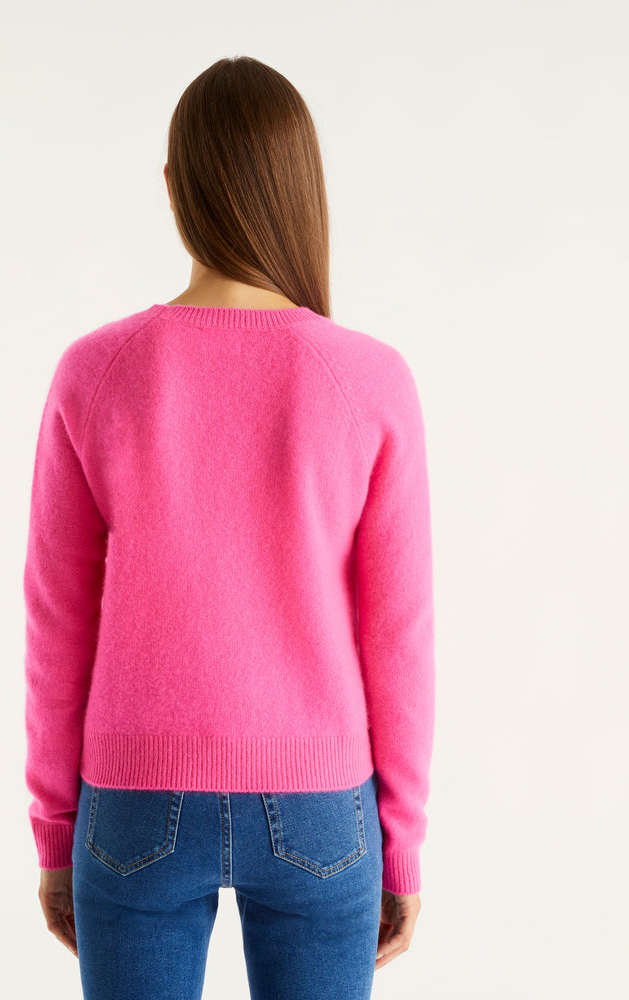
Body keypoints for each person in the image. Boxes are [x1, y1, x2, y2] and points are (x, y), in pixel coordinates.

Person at [24, 55, 435, 1000]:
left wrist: (55, 830)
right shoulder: (371, 380)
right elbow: (400, 631)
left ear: (174, 187)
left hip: (131, 801)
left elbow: (56, 616)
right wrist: (402, 843)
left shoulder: (95, 372)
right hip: (324, 805)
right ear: (300, 189)